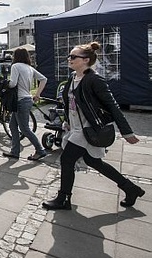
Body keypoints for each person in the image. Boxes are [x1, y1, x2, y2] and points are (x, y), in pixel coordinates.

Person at [42, 42, 145, 210]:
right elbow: (71, 105)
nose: (69, 59)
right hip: (77, 128)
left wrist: (127, 132)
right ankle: (131, 188)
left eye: (73, 56)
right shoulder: (73, 78)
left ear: (86, 60)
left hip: (89, 129)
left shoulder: (94, 79)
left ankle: (63, 199)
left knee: (66, 159)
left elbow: (112, 106)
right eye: (70, 56)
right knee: (94, 162)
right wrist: (67, 121)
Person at [2, 48, 47, 160]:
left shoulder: (15, 66)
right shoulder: (29, 68)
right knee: (13, 126)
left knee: (24, 128)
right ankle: (15, 151)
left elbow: (12, 84)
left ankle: (40, 150)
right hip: (27, 99)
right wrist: (37, 94)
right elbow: (44, 79)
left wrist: (5, 83)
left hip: (20, 100)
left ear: (16, 57)